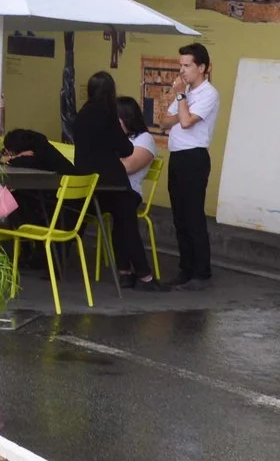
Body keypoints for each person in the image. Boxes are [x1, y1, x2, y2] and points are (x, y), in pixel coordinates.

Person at [70, 71, 155, 287]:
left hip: (85, 184)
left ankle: (126, 272)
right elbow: (126, 148)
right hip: (110, 183)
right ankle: (143, 275)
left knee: (118, 220)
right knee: (127, 222)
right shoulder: (107, 116)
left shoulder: (81, 115)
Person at [161, 42, 219, 288]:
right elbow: (165, 121)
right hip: (177, 156)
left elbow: (185, 123)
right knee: (179, 216)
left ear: (202, 67)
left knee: (193, 215)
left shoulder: (208, 93)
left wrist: (181, 98)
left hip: (194, 157)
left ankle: (201, 270)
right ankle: (186, 267)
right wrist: (182, 105)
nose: (182, 71)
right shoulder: (184, 92)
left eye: (187, 65)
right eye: (181, 65)